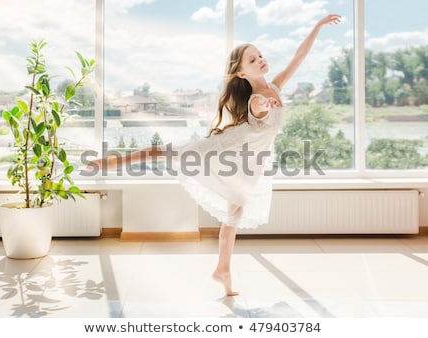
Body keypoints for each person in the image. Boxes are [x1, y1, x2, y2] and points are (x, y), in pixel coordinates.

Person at [87, 14, 341, 296]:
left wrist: (317, 27)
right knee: (164, 152)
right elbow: (259, 107)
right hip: (228, 149)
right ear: (242, 74)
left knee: (235, 213)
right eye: (252, 60)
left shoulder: (276, 86)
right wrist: (265, 106)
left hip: (251, 161)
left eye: (260, 55)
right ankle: (108, 162)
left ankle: (222, 269)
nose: (260, 60)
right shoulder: (258, 98)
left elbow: (298, 57)